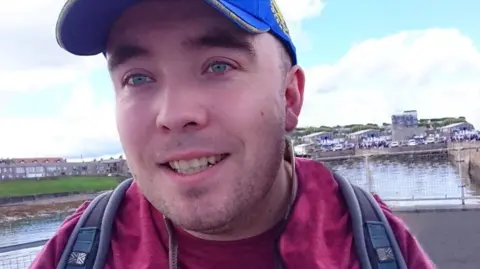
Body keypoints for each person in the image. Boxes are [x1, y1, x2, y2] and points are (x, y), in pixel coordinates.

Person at [31, 0, 435, 268]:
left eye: (218, 66)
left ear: (289, 97)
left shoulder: (374, 244)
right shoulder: (79, 251)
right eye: (137, 77)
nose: (174, 115)